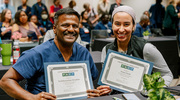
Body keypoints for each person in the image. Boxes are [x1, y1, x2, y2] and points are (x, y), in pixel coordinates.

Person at [0, 7, 98, 100]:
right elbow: (5, 81)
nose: (71, 29)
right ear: (54, 29)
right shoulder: (37, 54)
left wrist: (96, 92)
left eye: (75, 26)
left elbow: (90, 81)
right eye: (65, 25)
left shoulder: (83, 53)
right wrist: (32, 97)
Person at [87, 6, 173, 98]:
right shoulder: (107, 50)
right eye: (117, 24)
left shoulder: (146, 48)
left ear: (133, 26)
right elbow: (110, 81)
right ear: (112, 25)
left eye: (126, 24)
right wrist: (108, 89)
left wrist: (153, 90)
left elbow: (167, 75)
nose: (121, 29)